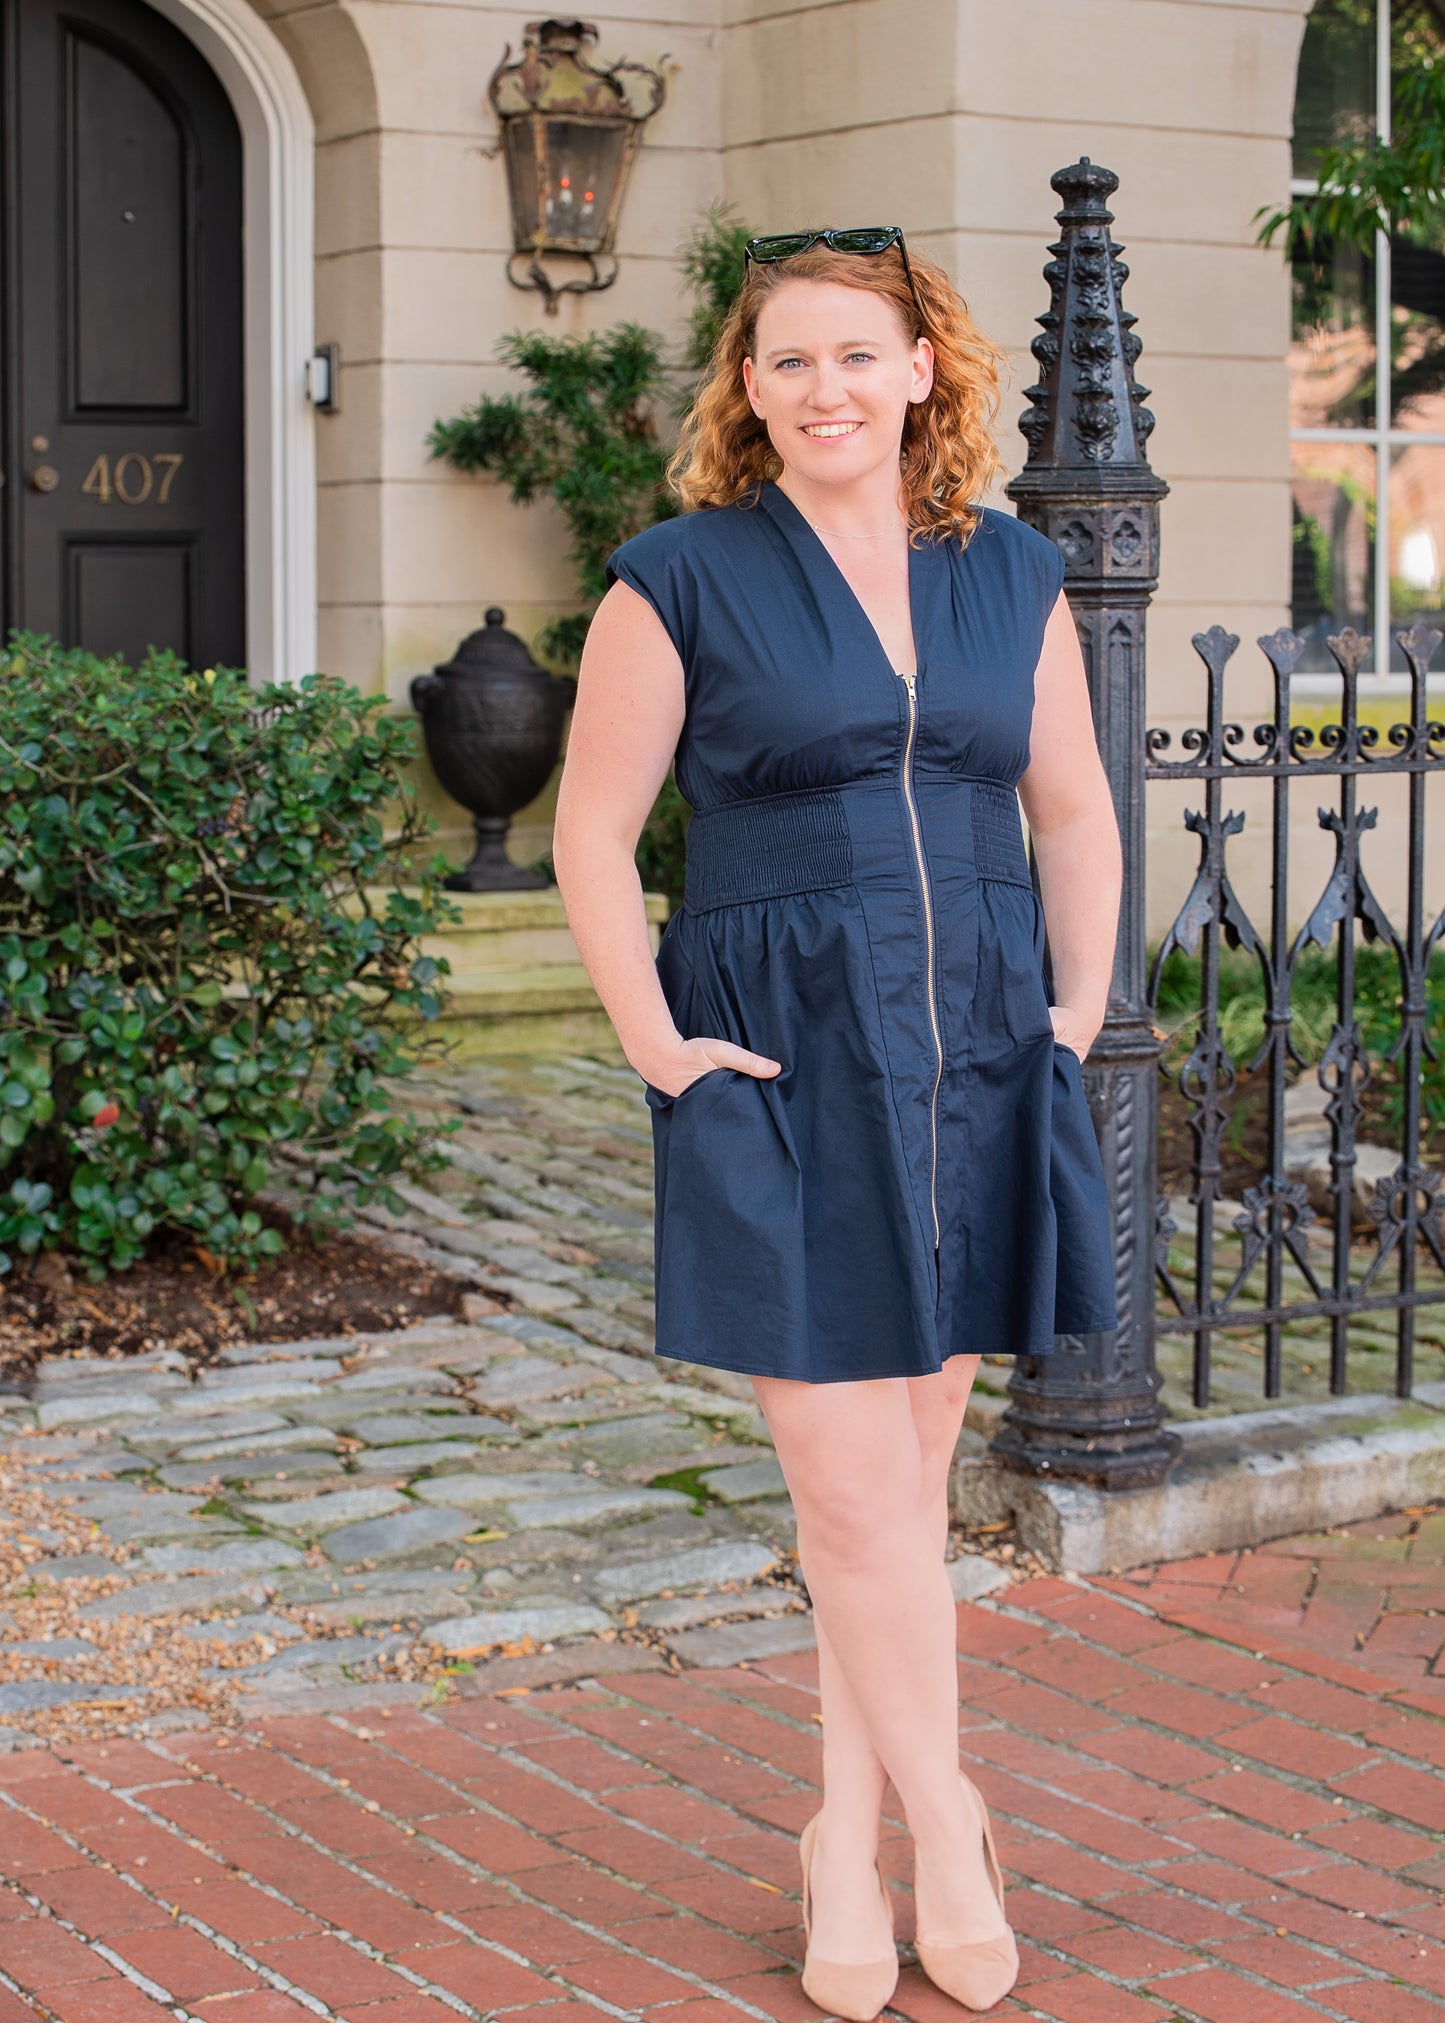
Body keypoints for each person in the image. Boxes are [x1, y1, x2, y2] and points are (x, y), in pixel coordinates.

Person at [551, 225, 1122, 2019]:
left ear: (923, 371)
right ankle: (946, 1821)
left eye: (856, 357)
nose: (823, 391)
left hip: (969, 1057)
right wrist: (656, 1042)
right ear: (745, 387)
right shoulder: (676, 577)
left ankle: (833, 1833)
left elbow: (1075, 812)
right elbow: (592, 831)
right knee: (853, 1494)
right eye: (786, 361)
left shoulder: (1011, 570)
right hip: (782, 1056)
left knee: (907, 1481)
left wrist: (1077, 1015)